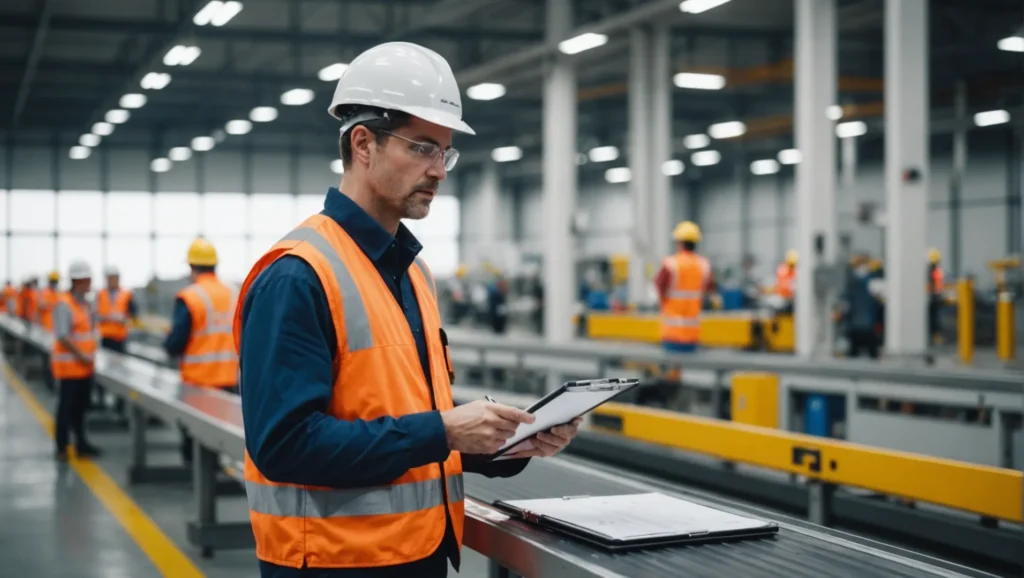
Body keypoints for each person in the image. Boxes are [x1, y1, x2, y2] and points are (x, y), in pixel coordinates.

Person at [234, 41, 581, 578]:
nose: (439, 170)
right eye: (422, 148)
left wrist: (507, 444)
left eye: (446, 152)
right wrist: (443, 431)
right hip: (334, 562)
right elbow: (284, 445)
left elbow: (409, 421)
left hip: (416, 556)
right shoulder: (298, 275)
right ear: (364, 143)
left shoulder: (413, 274)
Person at [163, 239, 239, 464]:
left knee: (194, 439)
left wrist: (168, 347)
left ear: (192, 267)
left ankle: (198, 480)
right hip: (228, 380)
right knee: (223, 434)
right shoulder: (233, 294)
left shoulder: (191, 297)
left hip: (197, 382)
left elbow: (176, 341)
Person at [51, 260, 101, 460]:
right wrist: (81, 356)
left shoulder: (85, 304)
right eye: (87, 281)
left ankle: (81, 444)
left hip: (84, 368)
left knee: (81, 408)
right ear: (78, 281)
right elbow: (63, 336)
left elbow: (87, 332)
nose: (90, 284)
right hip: (70, 368)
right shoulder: (64, 305)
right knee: (66, 408)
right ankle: (62, 447)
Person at [654, 220, 713, 354]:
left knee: (670, 371)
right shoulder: (704, 265)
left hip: (672, 333)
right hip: (693, 334)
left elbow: (659, 286)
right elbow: (709, 289)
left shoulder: (670, 264)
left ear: (679, 242)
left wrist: (665, 301)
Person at [840, 256, 881, 359]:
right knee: (855, 356)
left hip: (867, 326)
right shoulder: (852, 283)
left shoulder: (872, 282)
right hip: (858, 327)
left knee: (869, 355)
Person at [96, 265, 138, 354]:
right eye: (110, 278)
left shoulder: (126, 294)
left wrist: (124, 318)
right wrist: (106, 317)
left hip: (120, 337)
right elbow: (94, 314)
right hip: (105, 336)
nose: (113, 280)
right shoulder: (100, 294)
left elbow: (134, 313)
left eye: (115, 278)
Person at [927, 248, 944, 345]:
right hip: (933, 297)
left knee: (933, 318)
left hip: (933, 298)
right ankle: (935, 336)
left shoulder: (933, 271)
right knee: (933, 318)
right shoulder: (935, 271)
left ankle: (934, 336)